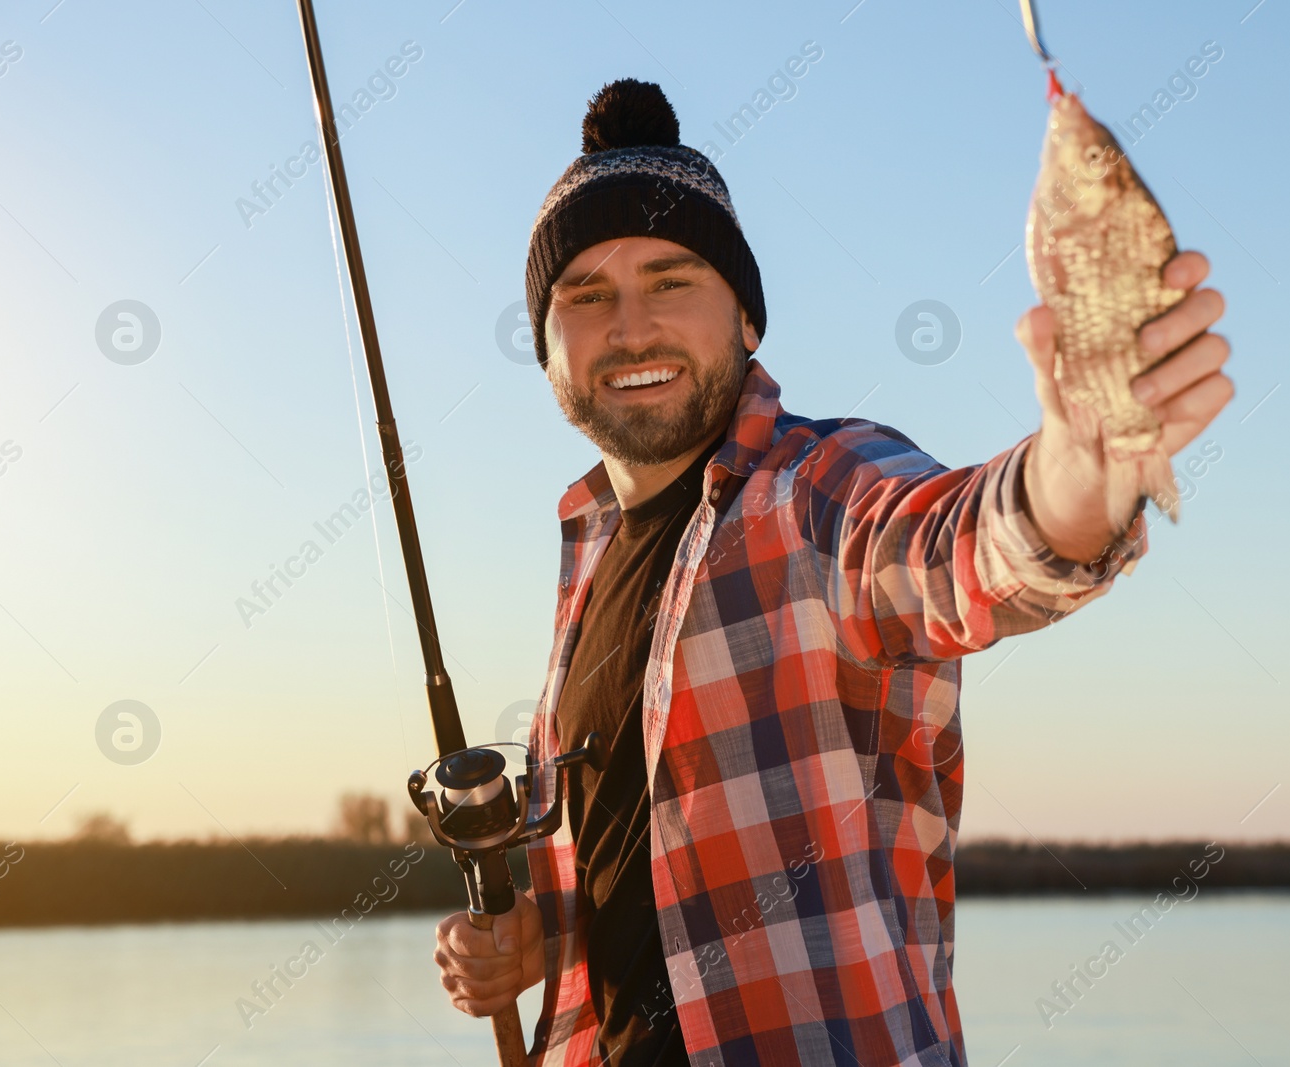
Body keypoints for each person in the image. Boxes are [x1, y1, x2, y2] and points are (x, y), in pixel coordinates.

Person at [433, 78, 1231, 1066]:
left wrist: (1078, 470)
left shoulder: (818, 490)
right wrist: (538, 941)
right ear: (547, 347)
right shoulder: (589, 556)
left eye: (672, 280)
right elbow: (644, 883)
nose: (631, 326)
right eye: (586, 296)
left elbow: (962, 549)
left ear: (748, 321)